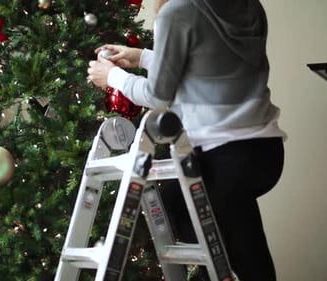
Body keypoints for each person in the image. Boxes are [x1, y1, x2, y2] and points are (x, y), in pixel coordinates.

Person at [87, 0, 286, 280]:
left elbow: (158, 96)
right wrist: (143, 56)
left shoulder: (177, 11)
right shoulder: (250, 6)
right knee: (245, 241)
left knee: (177, 211)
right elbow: (207, 61)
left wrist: (113, 77)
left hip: (222, 157)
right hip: (265, 153)